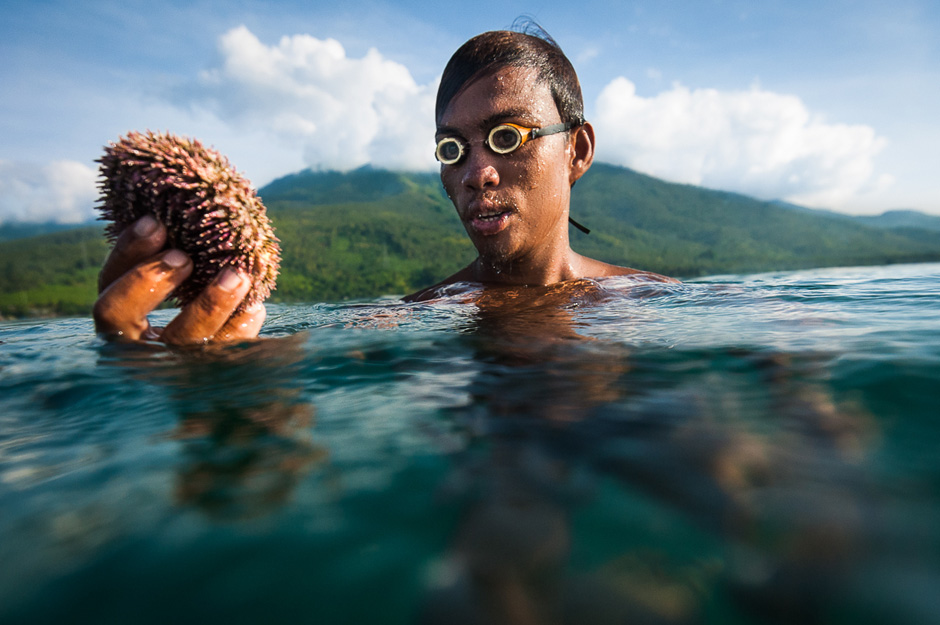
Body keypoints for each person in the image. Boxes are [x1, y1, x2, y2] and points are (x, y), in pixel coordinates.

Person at [93, 27, 673, 344]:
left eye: (507, 136)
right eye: (452, 149)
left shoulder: (658, 300)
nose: (476, 172)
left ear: (578, 149)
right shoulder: (416, 318)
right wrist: (185, 360)